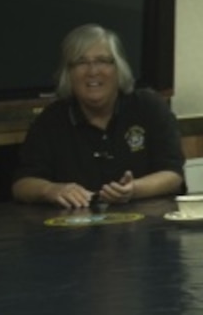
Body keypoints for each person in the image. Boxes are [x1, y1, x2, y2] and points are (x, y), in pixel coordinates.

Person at [11, 24, 185, 209]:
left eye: (102, 61)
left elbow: (173, 175)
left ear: (118, 69)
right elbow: (22, 185)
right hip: (74, 231)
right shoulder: (50, 120)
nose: (92, 71)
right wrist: (51, 190)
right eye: (81, 62)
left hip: (145, 228)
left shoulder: (149, 107)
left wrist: (134, 190)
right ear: (68, 74)